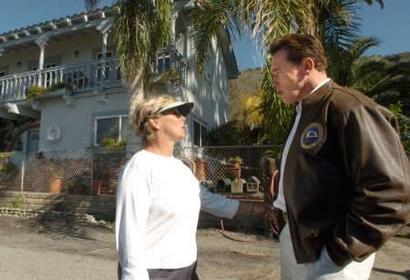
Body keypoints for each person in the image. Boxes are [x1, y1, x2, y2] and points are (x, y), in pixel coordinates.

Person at [268, 34, 410, 279]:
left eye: (277, 72)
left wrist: (338, 251)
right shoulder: (304, 111)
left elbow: (391, 194)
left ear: (307, 66)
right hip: (298, 243)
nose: (274, 82)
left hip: (330, 256)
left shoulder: (350, 108)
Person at [115, 94, 256, 280]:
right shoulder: (138, 168)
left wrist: (259, 210)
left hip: (187, 270)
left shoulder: (181, 169)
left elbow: (210, 201)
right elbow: (129, 237)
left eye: (182, 113)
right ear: (155, 121)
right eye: (175, 112)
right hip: (154, 273)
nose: (183, 117)